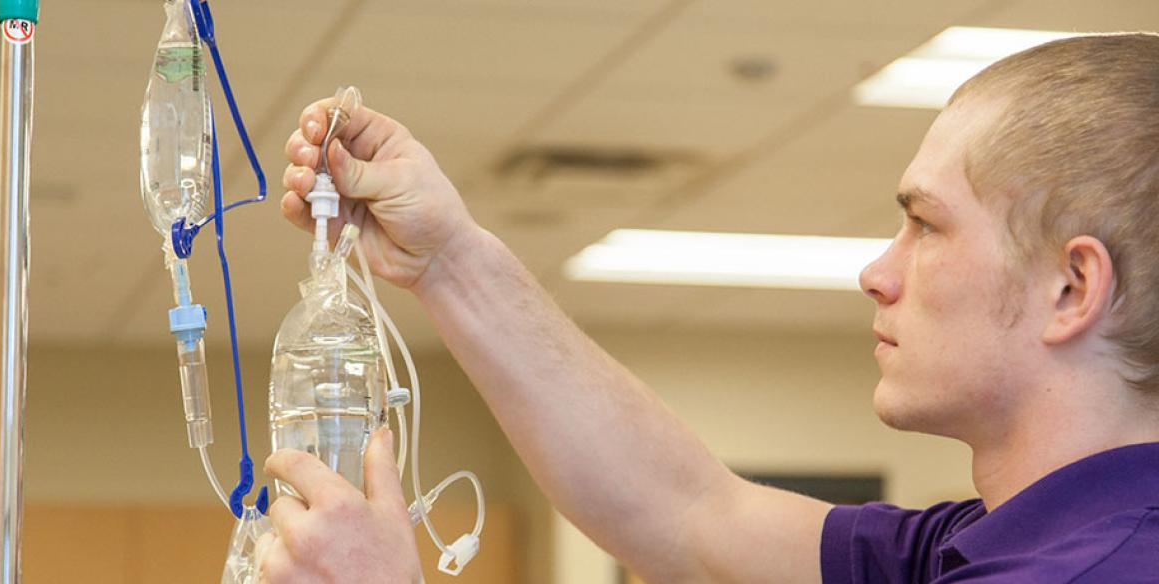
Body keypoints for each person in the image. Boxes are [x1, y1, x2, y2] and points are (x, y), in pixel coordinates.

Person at [257, 33, 1159, 583]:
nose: (877, 274)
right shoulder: (993, 545)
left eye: (925, 225)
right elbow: (691, 522)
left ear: (1071, 289)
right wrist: (450, 261)